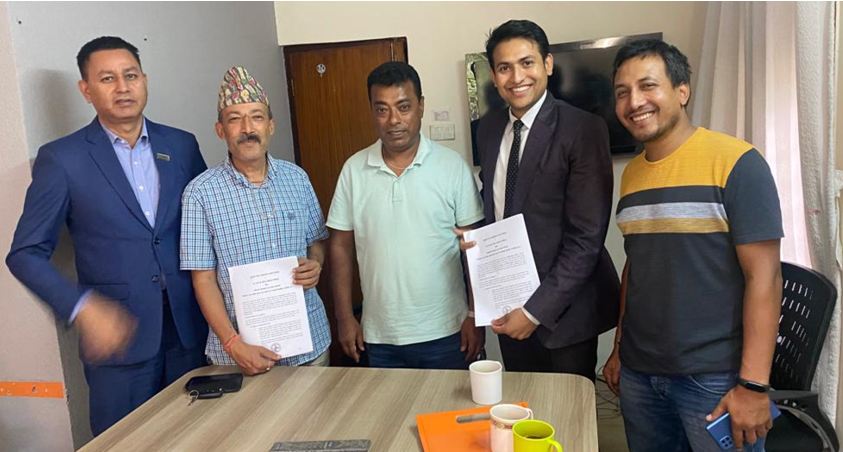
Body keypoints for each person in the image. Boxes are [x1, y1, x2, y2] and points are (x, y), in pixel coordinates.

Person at [6, 36, 208, 435]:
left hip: (189, 329)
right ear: (86, 90)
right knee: (125, 441)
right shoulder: (63, 159)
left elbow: (209, 226)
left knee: (198, 435)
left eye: (130, 76)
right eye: (107, 78)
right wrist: (82, 307)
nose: (123, 87)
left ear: (144, 80)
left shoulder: (182, 145)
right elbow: (25, 253)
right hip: (119, 342)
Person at [602, 39, 783, 452]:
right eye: (622, 92)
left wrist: (754, 385)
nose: (634, 101)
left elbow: (766, 277)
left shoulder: (737, 162)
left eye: (648, 86)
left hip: (714, 379)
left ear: (682, 90)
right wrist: (619, 349)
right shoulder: (632, 175)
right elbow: (637, 267)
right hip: (640, 374)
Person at [460, 19, 620, 379]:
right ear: (493, 76)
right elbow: (498, 202)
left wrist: (534, 312)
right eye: (504, 67)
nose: (516, 77)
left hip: (564, 315)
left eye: (527, 63)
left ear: (547, 64)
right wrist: (475, 237)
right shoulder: (488, 129)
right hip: (507, 301)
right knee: (520, 405)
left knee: (566, 411)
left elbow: (586, 240)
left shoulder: (583, 129)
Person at [328, 61, 485, 369]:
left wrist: (474, 315)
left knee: (448, 403)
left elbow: (475, 246)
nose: (393, 120)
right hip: (379, 335)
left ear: (421, 106)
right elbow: (340, 247)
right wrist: (344, 317)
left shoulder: (452, 167)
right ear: (372, 111)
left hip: (448, 331)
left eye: (403, 107)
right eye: (382, 109)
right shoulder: (353, 170)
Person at [180, 66, 331, 375]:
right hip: (240, 357)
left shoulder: (297, 179)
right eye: (235, 119)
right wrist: (233, 343)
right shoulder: (200, 193)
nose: (247, 128)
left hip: (309, 343)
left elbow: (317, 242)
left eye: (257, 117)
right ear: (220, 130)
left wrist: (315, 265)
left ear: (270, 125)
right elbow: (203, 279)